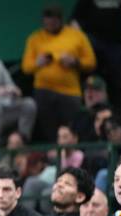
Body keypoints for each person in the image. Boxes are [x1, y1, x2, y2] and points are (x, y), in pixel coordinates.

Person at [22, 5, 96, 142]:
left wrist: (75, 62)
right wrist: (37, 63)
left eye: (54, 19)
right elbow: (26, 67)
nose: (51, 23)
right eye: (48, 19)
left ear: (60, 19)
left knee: (73, 128)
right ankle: (54, 159)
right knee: (49, 131)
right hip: (44, 91)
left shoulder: (76, 35)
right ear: (44, 21)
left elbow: (91, 62)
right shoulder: (35, 38)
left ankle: (76, 158)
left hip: (70, 91)